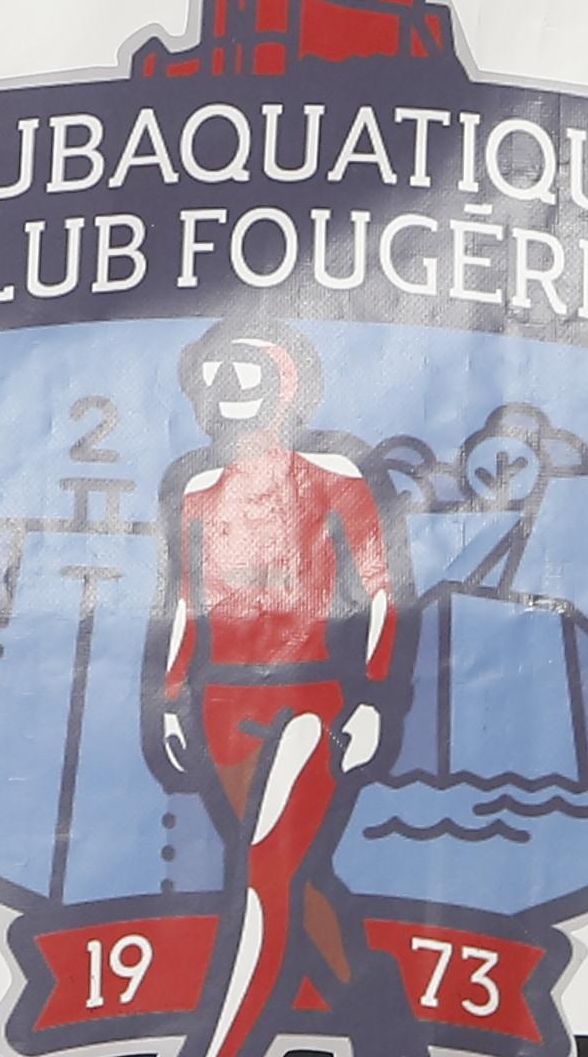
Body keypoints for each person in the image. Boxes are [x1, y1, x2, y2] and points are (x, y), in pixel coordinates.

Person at [150, 319, 404, 1057]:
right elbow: (186, 602)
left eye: (246, 371)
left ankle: (224, 1048)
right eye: (213, 375)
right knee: (295, 878)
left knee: (264, 873)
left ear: (286, 383)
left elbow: (380, 592)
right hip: (219, 706)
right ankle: (383, 1021)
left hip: (308, 701)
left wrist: (372, 698)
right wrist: (170, 698)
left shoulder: (336, 480)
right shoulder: (198, 490)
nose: (226, 388)